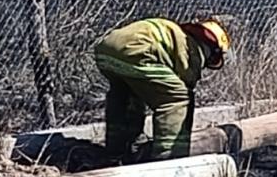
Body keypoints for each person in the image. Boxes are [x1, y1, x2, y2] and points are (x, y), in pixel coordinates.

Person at [95, 17, 230, 163]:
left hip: (105, 51)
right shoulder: (192, 49)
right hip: (137, 53)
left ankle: (117, 150)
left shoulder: (175, 34)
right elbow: (187, 83)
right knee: (177, 98)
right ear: (213, 50)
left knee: (126, 95)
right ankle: (168, 158)